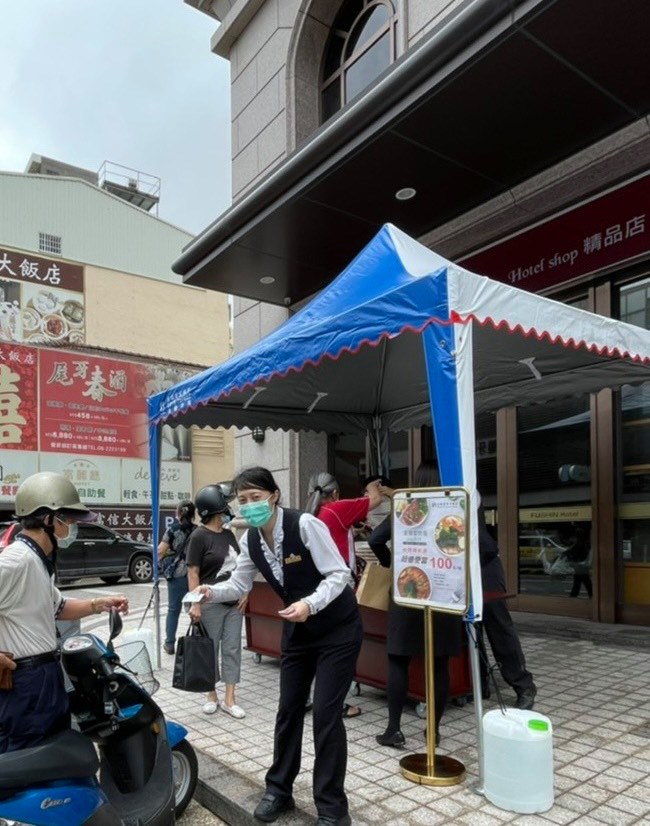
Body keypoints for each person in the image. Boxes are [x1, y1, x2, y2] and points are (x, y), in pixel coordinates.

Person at [190, 466, 361, 826]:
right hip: (298, 631)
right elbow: (239, 584)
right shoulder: (251, 540)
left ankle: (333, 809)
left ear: (274, 496)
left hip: (337, 629)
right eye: (243, 500)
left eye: (256, 497)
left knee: (326, 715)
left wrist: (310, 604)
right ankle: (279, 790)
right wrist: (210, 591)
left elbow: (340, 574)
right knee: (288, 711)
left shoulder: (305, 525)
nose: (249, 505)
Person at [0, 471, 129, 753]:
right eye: (68, 520)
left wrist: (100, 604)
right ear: (48, 519)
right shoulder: (17, 561)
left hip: (44, 675)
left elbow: (58, 608)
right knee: (30, 758)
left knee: (52, 753)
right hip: (25, 681)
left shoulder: (37, 560)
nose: (72, 527)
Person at [369, 461, 462, 749]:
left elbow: (375, 539)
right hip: (445, 592)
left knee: (398, 660)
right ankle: (433, 731)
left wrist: (392, 564)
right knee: (440, 664)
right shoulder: (456, 507)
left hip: (407, 589)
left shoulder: (406, 507)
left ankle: (393, 729)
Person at [304, 472, 388, 719]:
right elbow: (375, 500)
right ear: (335, 493)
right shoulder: (337, 508)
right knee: (340, 649)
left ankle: (309, 698)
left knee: (318, 647)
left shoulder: (311, 514)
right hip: (338, 591)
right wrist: (372, 485)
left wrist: (352, 529)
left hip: (318, 589)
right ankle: (335, 704)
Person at [186, 484, 247, 718]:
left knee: (232, 649)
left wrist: (245, 591)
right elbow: (193, 572)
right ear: (214, 510)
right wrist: (195, 603)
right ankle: (211, 695)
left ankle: (230, 699)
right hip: (210, 603)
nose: (228, 511)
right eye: (224, 507)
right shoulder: (199, 536)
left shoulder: (229, 534)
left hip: (234, 603)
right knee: (209, 650)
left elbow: (240, 567)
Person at [477, 496, 537, 709]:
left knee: (498, 627)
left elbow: (486, 546)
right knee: (470, 629)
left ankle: (523, 685)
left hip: (485, 568)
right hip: (457, 569)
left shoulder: (466, 490)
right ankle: (480, 681)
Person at [158, 499, 196, 655]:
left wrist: (167, 557)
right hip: (195, 574)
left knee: (173, 609)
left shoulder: (172, 530)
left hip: (177, 575)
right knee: (195, 607)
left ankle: (169, 644)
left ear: (179, 513)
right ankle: (197, 640)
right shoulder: (198, 530)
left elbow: (160, 551)